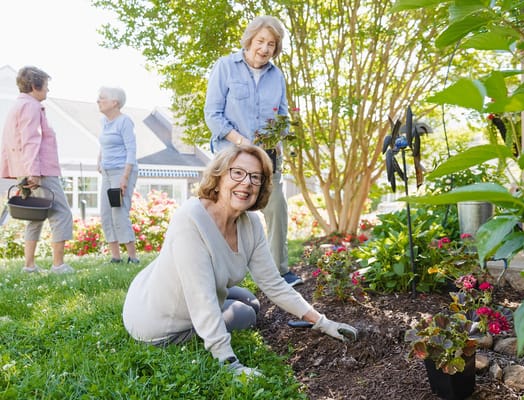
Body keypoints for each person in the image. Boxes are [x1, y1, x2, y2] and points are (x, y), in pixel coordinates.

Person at [122, 145, 357, 377]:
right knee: (247, 315)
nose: (247, 182)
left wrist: (324, 323)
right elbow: (201, 299)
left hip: (159, 290)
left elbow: (273, 284)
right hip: (158, 322)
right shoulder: (190, 220)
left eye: (256, 177)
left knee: (250, 300)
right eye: (237, 172)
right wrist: (229, 363)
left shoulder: (250, 223)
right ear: (219, 176)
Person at [204, 15, 302, 287]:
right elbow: (212, 115)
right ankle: (219, 271)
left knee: (276, 207)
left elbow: (282, 116)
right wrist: (242, 142)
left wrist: (279, 137)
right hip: (231, 154)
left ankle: (277, 272)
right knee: (228, 210)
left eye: (271, 44)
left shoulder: (276, 76)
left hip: (267, 156)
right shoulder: (225, 67)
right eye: (260, 41)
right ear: (249, 40)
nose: (265, 48)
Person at [0, 66, 74, 274]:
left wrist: (23, 171)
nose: (48, 91)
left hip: (26, 168)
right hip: (39, 170)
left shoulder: (18, 106)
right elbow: (31, 140)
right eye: (46, 87)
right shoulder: (31, 106)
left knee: (35, 214)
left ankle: (29, 266)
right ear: (35, 86)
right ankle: (58, 265)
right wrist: (33, 172)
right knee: (61, 212)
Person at [96, 86, 139, 264]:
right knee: (106, 213)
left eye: (102, 98)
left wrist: (125, 177)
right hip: (107, 172)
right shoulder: (104, 121)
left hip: (122, 171)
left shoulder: (124, 121)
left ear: (115, 102)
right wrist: (99, 160)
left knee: (119, 212)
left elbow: (131, 150)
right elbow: (104, 144)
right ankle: (115, 257)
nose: (98, 101)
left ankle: (133, 257)